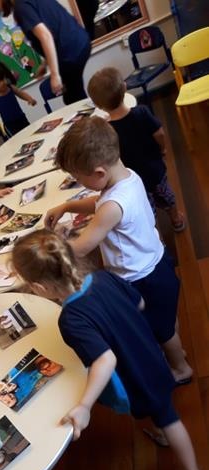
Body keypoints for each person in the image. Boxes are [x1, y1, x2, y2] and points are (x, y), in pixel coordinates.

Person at [11, 229, 207, 470]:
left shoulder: (71, 318)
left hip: (134, 375)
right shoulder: (104, 278)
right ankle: (165, 435)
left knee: (169, 418)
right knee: (161, 408)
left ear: (40, 288)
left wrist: (84, 405)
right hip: (151, 355)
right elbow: (139, 303)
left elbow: (105, 359)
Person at [44, 116, 192, 384]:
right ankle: (176, 349)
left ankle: (181, 369)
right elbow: (99, 202)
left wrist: (58, 243)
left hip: (140, 278)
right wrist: (67, 206)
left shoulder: (112, 207)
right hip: (158, 263)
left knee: (162, 328)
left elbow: (83, 246)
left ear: (99, 173)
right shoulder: (128, 177)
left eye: (79, 178)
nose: (79, 183)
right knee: (166, 318)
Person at [87, 67, 185, 232]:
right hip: (155, 169)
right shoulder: (142, 112)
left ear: (98, 105)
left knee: (145, 207)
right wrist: (162, 149)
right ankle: (176, 219)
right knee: (165, 194)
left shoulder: (107, 129)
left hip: (131, 178)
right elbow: (159, 133)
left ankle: (154, 233)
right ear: (125, 88)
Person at [0, 0, 91, 105]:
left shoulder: (21, 8)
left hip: (69, 53)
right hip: (79, 43)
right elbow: (53, 29)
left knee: (74, 99)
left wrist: (55, 75)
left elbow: (45, 36)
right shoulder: (26, 3)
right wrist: (44, 64)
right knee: (75, 96)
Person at [0, 63, 36, 136]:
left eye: (2, 79)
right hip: (10, 125)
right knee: (17, 141)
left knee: (30, 135)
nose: (2, 83)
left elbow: (21, 93)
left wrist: (29, 99)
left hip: (22, 118)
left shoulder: (10, 88)